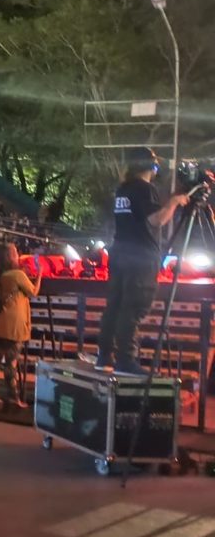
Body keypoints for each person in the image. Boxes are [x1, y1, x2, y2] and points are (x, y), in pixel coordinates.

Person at [95, 157, 193, 375]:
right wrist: (174, 202)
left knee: (115, 304)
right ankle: (125, 360)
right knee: (133, 307)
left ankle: (104, 356)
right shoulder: (144, 189)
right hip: (140, 256)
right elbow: (156, 220)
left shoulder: (123, 190)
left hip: (120, 253)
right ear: (152, 167)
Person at [0, 243, 41, 408]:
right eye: (15, 253)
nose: (18, 255)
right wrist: (39, 275)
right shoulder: (17, 274)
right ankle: (13, 397)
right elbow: (33, 292)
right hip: (13, 325)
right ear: (11, 257)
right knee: (11, 363)